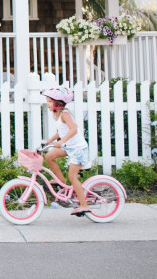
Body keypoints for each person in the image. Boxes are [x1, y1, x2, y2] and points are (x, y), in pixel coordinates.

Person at [41, 86, 90, 217]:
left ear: (57, 103)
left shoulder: (65, 114)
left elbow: (73, 129)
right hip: (69, 147)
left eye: (49, 101)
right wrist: (49, 140)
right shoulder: (57, 115)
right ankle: (61, 183)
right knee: (49, 156)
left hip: (78, 149)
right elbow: (61, 131)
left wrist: (61, 142)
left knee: (72, 177)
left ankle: (84, 205)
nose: (47, 104)